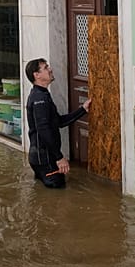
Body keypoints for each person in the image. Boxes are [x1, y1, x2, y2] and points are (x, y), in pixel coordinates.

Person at [25, 57, 91, 188]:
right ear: (36, 75)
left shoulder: (42, 94)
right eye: (46, 68)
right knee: (58, 196)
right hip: (45, 160)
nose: (50, 69)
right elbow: (43, 130)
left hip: (40, 158)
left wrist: (83, 109)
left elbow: (58, 122)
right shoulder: (40, 98)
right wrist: (59, 158)